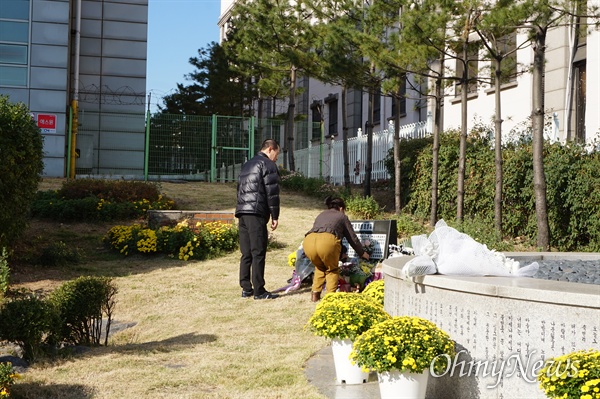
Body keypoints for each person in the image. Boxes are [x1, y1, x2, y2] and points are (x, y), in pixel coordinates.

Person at [235, 139, 281, 300]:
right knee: (258, 252)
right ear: (270, 149)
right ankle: (259, 290)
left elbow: (239, 189)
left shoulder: (247, 164)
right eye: (277, 154)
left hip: (242, 211)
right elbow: (272, 193)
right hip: (256, 212)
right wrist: (275, 216)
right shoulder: (267, 165)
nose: (277, 158)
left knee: (246, 253)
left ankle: (246, 288)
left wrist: (241, 208)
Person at [303, 196, 370, 302]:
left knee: (320, 267)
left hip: (309, 241)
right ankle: (330, 298)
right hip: (327, 241)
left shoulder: (321, 214)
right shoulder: (341, 216)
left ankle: (315, 295)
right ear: (341, 208)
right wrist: (362, 253)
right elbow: (352, 238)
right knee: (332, 270)